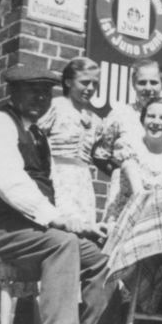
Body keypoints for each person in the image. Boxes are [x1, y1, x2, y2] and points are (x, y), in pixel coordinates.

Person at [0, 66, 114, 324]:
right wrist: (57, 220)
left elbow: (47, 192)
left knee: (99, 258)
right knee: (62, 243)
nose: (39, 99)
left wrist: (82, 225)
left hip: (19, 225)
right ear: (12, 93)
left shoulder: (38, 134)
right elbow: (9, 183)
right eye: (31, 91)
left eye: (45, 93)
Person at [93, 59, 162, 173]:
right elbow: (100, 156)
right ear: (133, 84)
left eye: (154, 82)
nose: (148, 88)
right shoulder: (119, 115)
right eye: (142, 83)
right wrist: (121, 175)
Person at [37, 57, 103, 226]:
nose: (90, 88)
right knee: (62, 225)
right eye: (85, 82)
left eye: (95, 84)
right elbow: (35, 141)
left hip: (82, 182)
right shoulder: (55, 106)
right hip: (57, 176)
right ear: (68, 82)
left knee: (84, 227)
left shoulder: (95, 119)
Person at [103, 97, 162, 227]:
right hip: (126, 217)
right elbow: (138, 192)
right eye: (151, 116)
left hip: (158, 220)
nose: (156, 122)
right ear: (143, 120)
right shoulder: (129, 145)